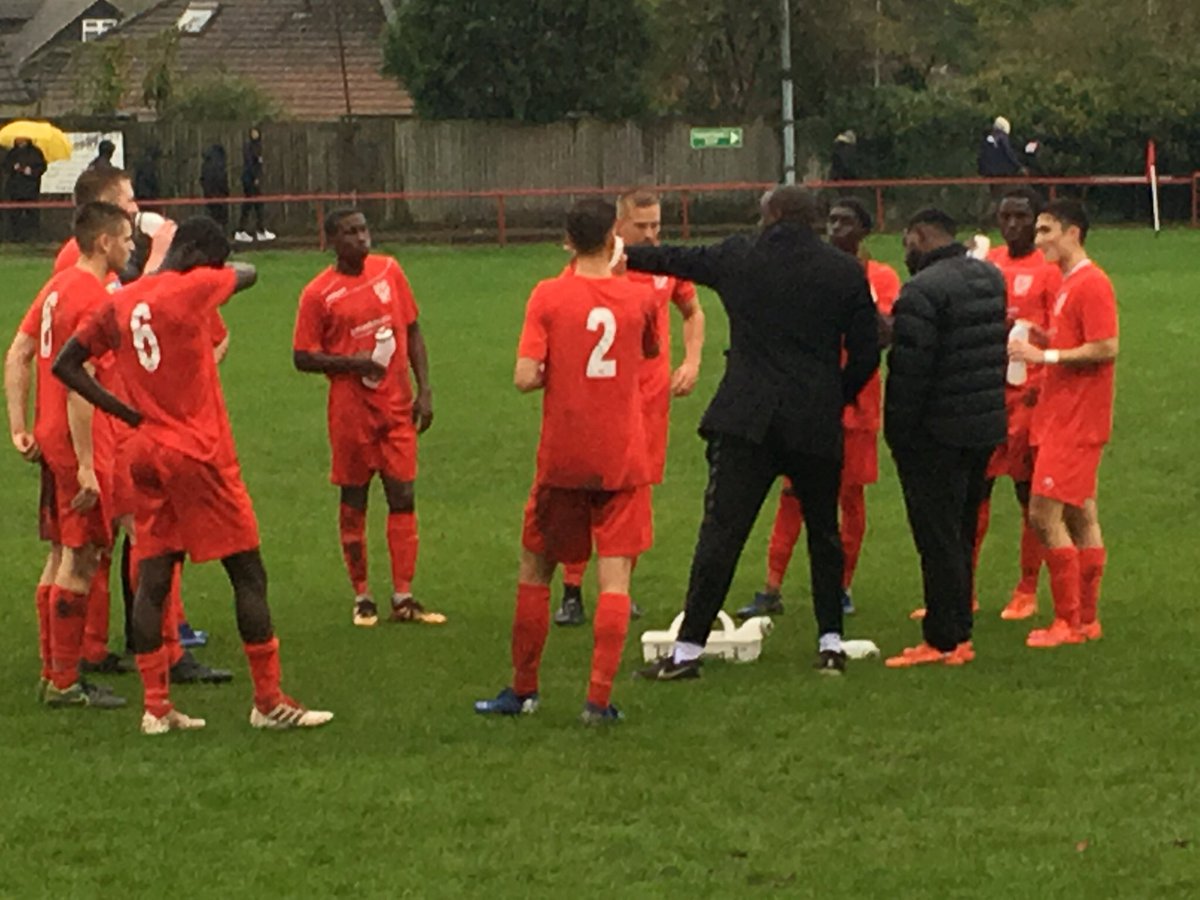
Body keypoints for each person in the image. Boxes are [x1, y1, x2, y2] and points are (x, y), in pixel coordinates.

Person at [53, 216, 333, 735]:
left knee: (155, 573)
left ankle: (156, 708)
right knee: (247, 572)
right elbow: (248, 272)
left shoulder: (120, 300)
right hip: (197, 453)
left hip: (144, 450)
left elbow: (66, 364)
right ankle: (269, 701)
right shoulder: (192, 287)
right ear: (201, 256)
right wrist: (211, 267)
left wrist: (119, 409)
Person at [629, 185, 880, 680]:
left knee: (722, 534)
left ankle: (687, 652)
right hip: (813, 419)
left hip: (747, 417)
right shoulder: (844, 271)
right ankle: (830, 642)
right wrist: (833, 393)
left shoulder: (739, 255)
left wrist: (621, 252)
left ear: (772, 215)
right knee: (824, 533)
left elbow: (676, 259)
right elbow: (868, 353)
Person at [474, 198, 659, 723]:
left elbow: (525, 375)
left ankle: (523, 689)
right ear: (612, 239)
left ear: (567, 241)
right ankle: (598, 700)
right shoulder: (637, 299)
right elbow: (647, 351)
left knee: (537, 568)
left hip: (564, 455)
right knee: (615, 576)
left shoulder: (548, 295)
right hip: (622, 455)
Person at [55, 167, 225, 678]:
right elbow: (110, 332)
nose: (137, 211)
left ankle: (93, 649)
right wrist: (160, 262)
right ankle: (161, 649)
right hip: (116, 416)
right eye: (128, 203)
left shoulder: (78, 267)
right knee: (148, 531)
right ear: (106, 215)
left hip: (108, 414)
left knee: (103, 537)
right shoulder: (93, 273)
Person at [741, 197, 900, 620]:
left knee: (849, 498)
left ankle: (841, 585)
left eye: (846, 222)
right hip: (811, 399)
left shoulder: (880, 277)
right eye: (830, 221)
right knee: (792, 493)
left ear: (864, 231)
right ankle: (771, 587)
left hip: (858, 402)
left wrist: (861, 303)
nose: (835, 229)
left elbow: (885, 334)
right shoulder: (815, 270)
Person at [554, 188, 706, 627]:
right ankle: (571, 590)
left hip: (651, 401)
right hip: (600, 401)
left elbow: (692, 311)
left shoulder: (666, 266)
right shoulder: (593, 271)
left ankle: (618, 592)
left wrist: (692, 361)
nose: (651, 234)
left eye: (657, 225)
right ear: (616, 227)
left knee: (635, 497)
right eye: (641, 226)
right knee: (586, 490)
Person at [6, 202, 134, 708]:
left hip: (48, 434)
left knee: (60, 550)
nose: (129, 248)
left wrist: (20, 425)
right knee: (80, 557)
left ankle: (51, 671)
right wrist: (86, 464)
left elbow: (17, 351)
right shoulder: (93, 298)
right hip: (81, 440)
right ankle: (64, 682)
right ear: (104, 242)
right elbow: (82, 386)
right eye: (125, 239)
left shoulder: (56, 286)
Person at [293, 210, 444, 627]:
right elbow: (302, 356)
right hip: (350, 411)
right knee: (354, 498)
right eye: (351, 232)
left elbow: (412, 330)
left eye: (364, 229)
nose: (362, 238)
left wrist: (425, 389)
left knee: (403, 494)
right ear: (332, 242)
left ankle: (404, 595)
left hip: (396, 406)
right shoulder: (318, 294)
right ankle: (362, 595)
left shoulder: (390, 271)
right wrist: (352, 363)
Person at [883, 208, 1007, 668]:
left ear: (918, 237)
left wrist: (898, 431)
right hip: (983, 424)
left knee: (935, 535)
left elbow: (910, 372)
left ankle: (943, 638)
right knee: (960, 528)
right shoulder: (990, 278)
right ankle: (959, 627)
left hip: (935, 431)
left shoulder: (920, 291)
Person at [1008, 199, 1117, 648]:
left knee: (1042, 514)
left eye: (1046, 231)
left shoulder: (1092, 284)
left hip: (1075, 422)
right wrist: (1043, 335)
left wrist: (1044, 356)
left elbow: (1106, 346)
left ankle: (1068, 622)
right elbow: (1078, 339)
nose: (1038, 241)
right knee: (1080, 511)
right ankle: (1086, 620)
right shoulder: (1070, 284)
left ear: (1073, 233)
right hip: (1063, 415)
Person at [977, 188, 1063, 622]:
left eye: (1021, 217)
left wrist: (1040, 375)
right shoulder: (988, 262)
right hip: (986, 395)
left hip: (1029, 397)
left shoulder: (1048, 269)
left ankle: (1027, 588)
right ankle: (963, 587)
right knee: (974, 492)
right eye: (1005, 217)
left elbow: (1060, 332)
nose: (1012, 226)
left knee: (1027, 495)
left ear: (1036, 221)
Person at [4, 137, 47, 242]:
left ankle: (34, 238)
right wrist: (13, 167)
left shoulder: (36, 152)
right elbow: (5, 166)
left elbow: (42, 167)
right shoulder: (12, 153)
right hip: (15, 189)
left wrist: (32, 171)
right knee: (14, 214)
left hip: (31, 189)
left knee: (32, 214)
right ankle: (15, 238)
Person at [235, 128, 274, 243]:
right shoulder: (249, 147)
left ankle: (260, 230)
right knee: (248, 204)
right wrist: (255, 177)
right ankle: (241, 231)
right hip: (249, 179)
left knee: (258, 205)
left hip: (254, 178)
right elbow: (250, 164)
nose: (254, 134)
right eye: (252, 132)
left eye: (256, 132)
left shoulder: (258, 147)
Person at [200, 144, 230, 232]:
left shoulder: (205, 164)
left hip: (209, 196)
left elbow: (203, 180)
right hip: (219, 195)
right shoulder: (219, 164)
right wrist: (225, 192)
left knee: (211, 218)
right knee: (220, 219)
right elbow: (221, 180)